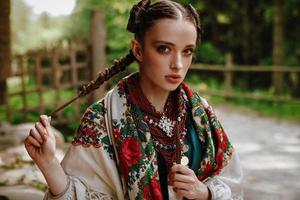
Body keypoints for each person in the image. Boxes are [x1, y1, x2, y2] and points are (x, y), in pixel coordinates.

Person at [24, 0, 243, 199]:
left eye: (187, 51)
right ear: (138, 50)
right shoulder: (101, 119)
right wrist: (49, 163)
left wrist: (205, 192)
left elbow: (232, 183)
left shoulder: (202, 113)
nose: (178, 63)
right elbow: (83, 193)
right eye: (164, 49)